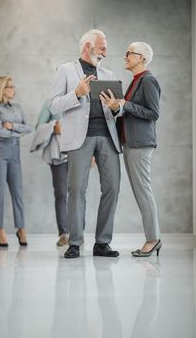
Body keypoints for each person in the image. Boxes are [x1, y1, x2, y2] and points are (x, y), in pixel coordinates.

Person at [50, 29, 121, 258]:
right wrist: (77, 93)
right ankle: (75, 243)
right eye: (101, 47)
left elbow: (115, 110)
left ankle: (102, 242)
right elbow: (53, 106)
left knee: (112, 187)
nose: (105, 51)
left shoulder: (108, 73)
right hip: (80, 139)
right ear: (86, 47)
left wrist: (115, 107)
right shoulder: (66, 70)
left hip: (108, 138)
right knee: (77, 189)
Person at [100, 42, 162, 257]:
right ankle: (152, 238)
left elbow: (153, 113)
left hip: (140, 144)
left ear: (142, 58)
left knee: (143, 191)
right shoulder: (136, 81)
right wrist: (118, 107)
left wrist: (125, 104)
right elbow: (130, 110)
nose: (125, 56)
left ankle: (153, 239)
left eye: (130, 53)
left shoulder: (148, 80)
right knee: (140, 191)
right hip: (130, 143)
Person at [0, 76, 32, 247]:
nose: (14, 90)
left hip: (15, 153)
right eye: (11, 87)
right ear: (3, 89)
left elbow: (29, 127)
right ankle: (0, 231)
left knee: (18, 193)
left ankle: (21, 228)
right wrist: (17, 130)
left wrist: (13, 127)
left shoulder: (17, 107)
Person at [34, 99, 69, 247]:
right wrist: (54, 126)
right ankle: (64, 233)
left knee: (79, 193)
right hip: (58, 154)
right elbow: (39, 126)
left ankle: (78, 232)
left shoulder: (81, 101)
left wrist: (93, 154)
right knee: (61, 194)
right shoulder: (49, 103)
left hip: (79, 151)